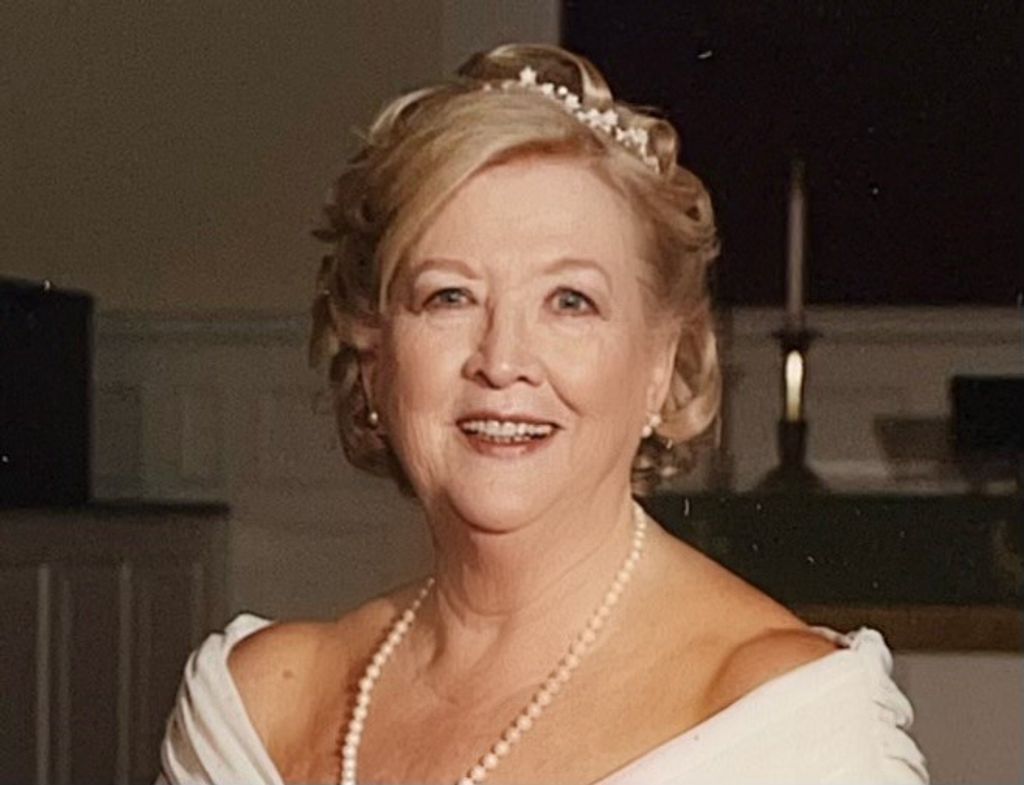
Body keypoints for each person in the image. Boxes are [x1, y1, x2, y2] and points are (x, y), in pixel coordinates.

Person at [157, 43, 928, 784]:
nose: (502, 360)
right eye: (449, 296)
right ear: (373, 353)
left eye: (570, 302)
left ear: (661, 363)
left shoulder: (781, 717)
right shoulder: (262, 708)